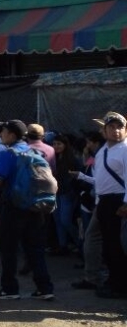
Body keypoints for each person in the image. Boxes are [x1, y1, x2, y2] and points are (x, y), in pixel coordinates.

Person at [0, 119, 55, 301]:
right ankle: (45, 287)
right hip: (35, 207)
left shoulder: (7, 154)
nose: (1, 135)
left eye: (3, 132)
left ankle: (10, 289)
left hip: (14, 207)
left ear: (12, 135)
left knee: (9, 249)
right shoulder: (34, 151)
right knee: (35, 248)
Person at [72, 111, 127, 298]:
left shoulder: (125, 149)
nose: (116, 131)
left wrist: (125, 203)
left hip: (118, 201)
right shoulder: (104, 149)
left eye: (120, 127)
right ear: (104, 131)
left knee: (116, 245)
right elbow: (100, 179)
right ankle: (105, 279)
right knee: (105, 243)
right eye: (112, 127)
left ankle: (119, 285)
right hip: (103, 201)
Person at [50, 134, 83, 256]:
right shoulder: (53, 158)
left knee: (65, 220)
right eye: (54, 144)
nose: (56, 146)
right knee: (58, 220)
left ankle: (80, 244)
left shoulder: (72, 159)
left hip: (68, 193)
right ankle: (62, 246)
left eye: (59, 144)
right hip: (56, 192)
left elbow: (79, 175)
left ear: (65, 145)